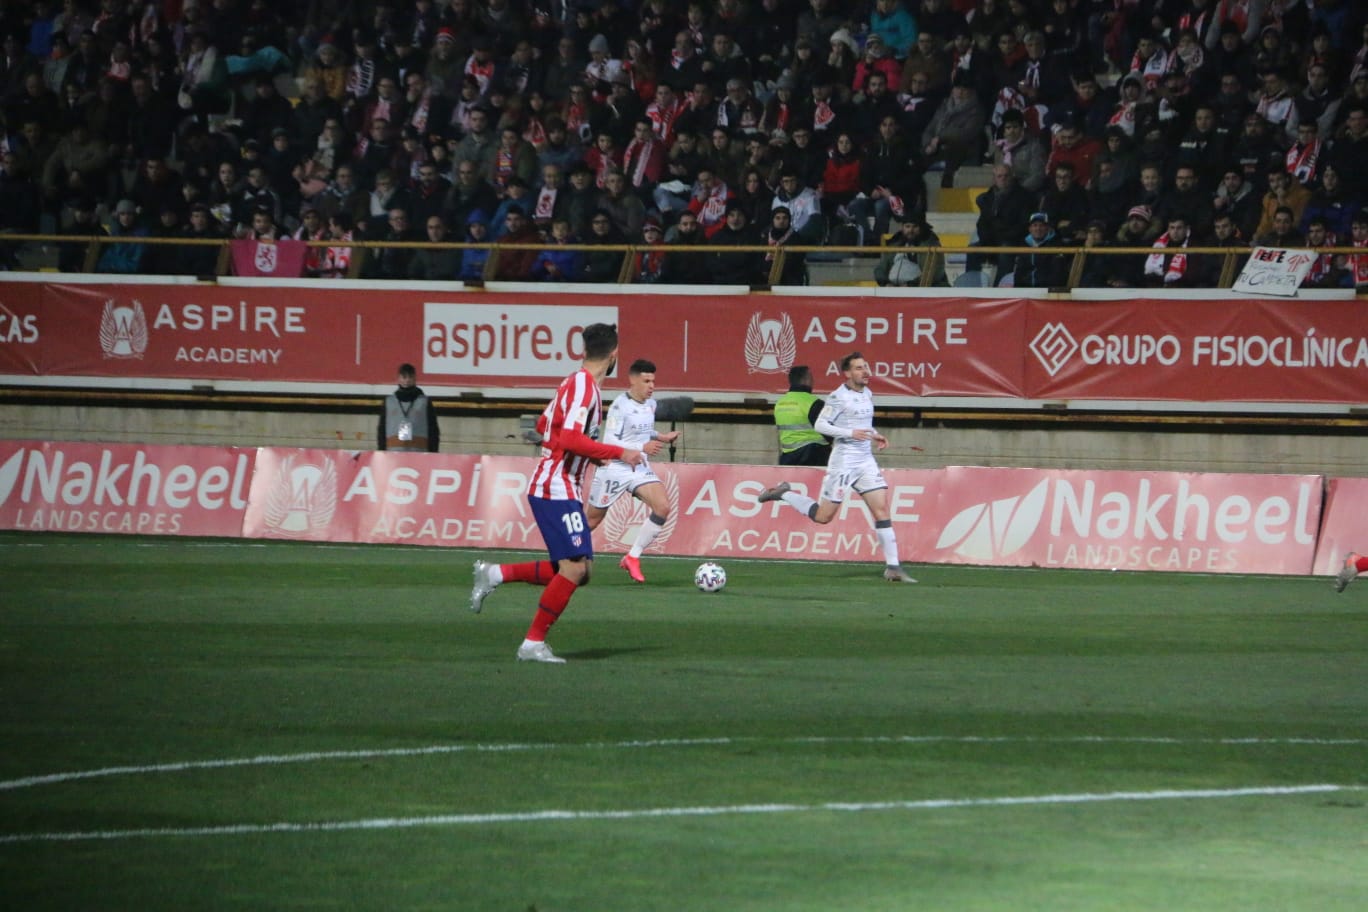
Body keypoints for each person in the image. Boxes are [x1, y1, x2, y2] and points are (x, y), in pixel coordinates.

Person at [469, 323, 645, 663]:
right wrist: (616, 452)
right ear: (614, 356)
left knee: (581, 570)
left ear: (584, 351)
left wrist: (591, 454)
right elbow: (567, 440)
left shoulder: (573, 383)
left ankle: (494, 574)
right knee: (575, 568)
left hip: (561, 483)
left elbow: (543, 427)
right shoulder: (584, 387)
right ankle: (532, 643)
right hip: (554, 485)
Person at [757, 352, 917, 584]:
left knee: (881, 510)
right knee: (823, 517)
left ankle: (893, 568)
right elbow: (822, 424)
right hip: (843, 462)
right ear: (848, 373)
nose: (866, 371)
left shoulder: (867, 394)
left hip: (865, 460)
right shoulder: (837, 397)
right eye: (860, 368)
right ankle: (784, 493)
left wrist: (875, 435)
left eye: (866, 367)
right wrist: (850, 434)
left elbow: (863, 424)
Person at [584, 359, 681, 583]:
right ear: (633, 380)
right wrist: (642, 447)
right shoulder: (620, 406)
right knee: (591, 522)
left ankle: (632, 557)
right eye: (646, 381)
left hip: (638, 467)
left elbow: (644, 430)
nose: (651, 386)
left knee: (663, 507)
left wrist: (661, 437)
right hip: (615, 468)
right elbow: (609, 440)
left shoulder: (651, 405)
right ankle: (561, 556)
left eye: (653, 381)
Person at [774, 365, 831, 467]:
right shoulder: (814, 403)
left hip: (788, 458)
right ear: (806, 379)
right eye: (811, 378)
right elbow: (828, 432)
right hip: (813, 457)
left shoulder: (779, 403)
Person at [377, 363, 439, 453]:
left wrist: (433, 453)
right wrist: (381, 452)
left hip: (418, 454)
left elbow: (433, 430)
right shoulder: (389, 402)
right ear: (398, 378)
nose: (407, 380)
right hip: (393, 455)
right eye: (404, 377)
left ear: (414, 379)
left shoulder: (424, 402)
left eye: (410, 377)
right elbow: (381, 430)